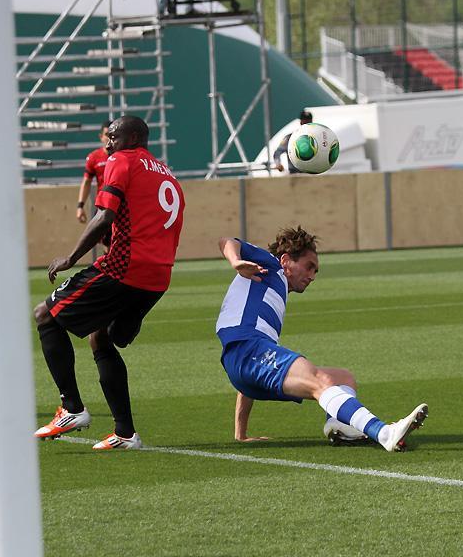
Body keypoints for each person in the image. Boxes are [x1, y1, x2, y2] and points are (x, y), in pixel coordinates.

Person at [33, 115, 185, 450]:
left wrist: (71, 258)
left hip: (124, 267)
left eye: (114, 136)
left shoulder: (121, 160)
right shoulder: (167, 174)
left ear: (133, 138)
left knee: (45, 314)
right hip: (158, 276)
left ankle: (71, 409)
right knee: (101, 337)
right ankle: (125, 434)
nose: (108, 143)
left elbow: (104, 216)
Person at [215, 227, 428, 452]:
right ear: (286, 261)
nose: (312, 276)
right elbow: (226, 241)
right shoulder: (270, 264)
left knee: (342, 378)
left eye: (315, 271)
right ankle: (384, 433)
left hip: (246, 363)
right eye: (309, 267)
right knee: (320, 380)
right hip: (245, 350)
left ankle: (339, 426)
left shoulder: (273, 292)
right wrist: (236, 261)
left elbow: (255, 366)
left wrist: (241, 433)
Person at [76, 120, 111, 224]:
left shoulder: (123, 156)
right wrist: (80, 206)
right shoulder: (94, 157)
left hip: (120, 205)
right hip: (102, 206)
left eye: (112, 135)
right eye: (107, 135)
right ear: (101, 137)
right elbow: (86, 182)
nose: (109, 138)